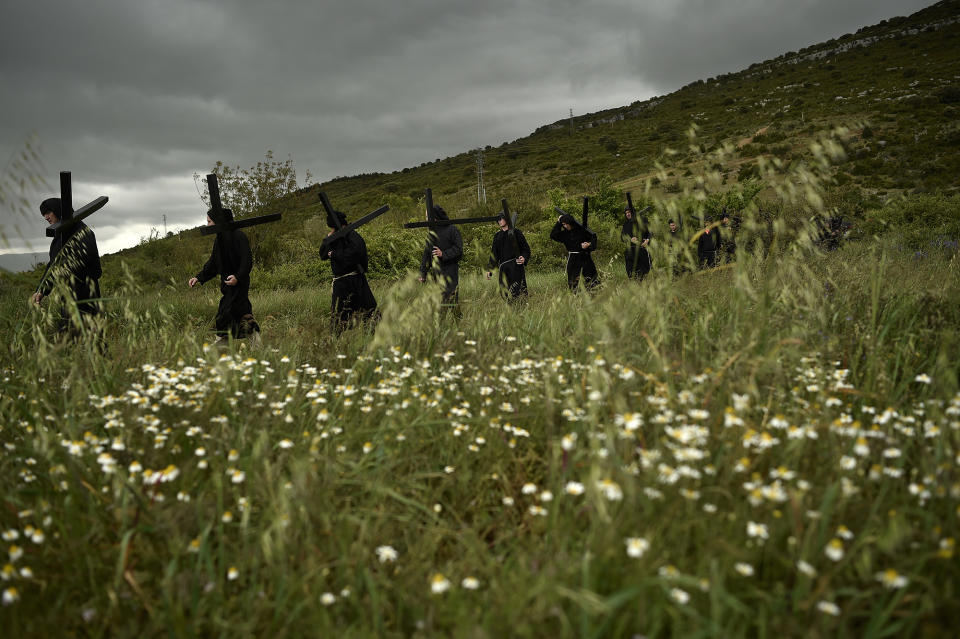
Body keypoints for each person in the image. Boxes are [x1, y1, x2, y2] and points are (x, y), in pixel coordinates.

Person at [32, 197, 102, 336]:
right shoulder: (59, 237)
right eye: (44, 214)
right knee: (69, 341)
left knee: (94, 343)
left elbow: (86, 262)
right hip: (68, 299)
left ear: (58, 210)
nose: (46, 217)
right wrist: (41, 290)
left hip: (86, 297)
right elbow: (53, 266)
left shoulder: (83, 232)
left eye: (48, 212)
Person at [188, 207, 260, 340]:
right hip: (227, 285)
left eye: (210, 221)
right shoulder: (219, 240)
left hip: (239, 285)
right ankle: (249, 344)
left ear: (218, 221)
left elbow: (247, 260)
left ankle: (224, 344)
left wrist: (237, 277)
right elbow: (213, 263)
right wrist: (198, 277)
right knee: (237, 315)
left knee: (229, 313)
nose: (208, 225)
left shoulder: (238, 236)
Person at [320, 209, 377, 333]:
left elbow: (356, 253)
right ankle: (336, 340)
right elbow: (323, 255)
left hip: (356, 280)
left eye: (333, 228)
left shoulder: (352, 236)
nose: (332, 231)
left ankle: (373, 336)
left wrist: (335, 254)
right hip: (341, 284)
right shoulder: (334, 237)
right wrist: (328, 239)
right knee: (339, 316)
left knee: (369, 310)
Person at [418, 204, 463, 315]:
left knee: (452, 301)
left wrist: (443, 254)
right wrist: (423, 273)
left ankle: (459, 325)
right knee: (439, 303)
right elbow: (427, 255)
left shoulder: (452, 229)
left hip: (450, 271)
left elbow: (459, 249)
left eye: (427, 216)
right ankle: (441, 328)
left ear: (435, 217)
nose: (426, 219)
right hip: (437, 273)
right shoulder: (431, 234)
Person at [486, 214, 531, 301]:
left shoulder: (516, 233)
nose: (499, 221)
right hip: (503, 268)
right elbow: (494, 254)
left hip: (516, 266)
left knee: (519, 293)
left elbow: (526, 249)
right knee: (505, 294)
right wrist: (490, 270)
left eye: (501, 218)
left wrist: (524, 258)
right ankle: (511, 312)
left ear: (507, 219)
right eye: (497, 219)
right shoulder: (497, 236)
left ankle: (522, 311)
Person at [550, 213, 599, 291]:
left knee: (592, 279)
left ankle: (595, 296)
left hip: (585, 257)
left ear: (571, 223)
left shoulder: (582, 230)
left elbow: (593, 238)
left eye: (566, 224)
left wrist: (588, 245)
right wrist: (558, 223)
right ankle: (576, 299)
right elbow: (553, 235)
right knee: (573, 282)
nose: (565, 226)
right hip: (573, 259)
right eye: (563, 224)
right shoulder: (564, 234)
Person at [622, 206, 652, 281]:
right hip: (630, 253)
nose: (628, 214)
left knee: (644, 273)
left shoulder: (643, 220)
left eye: (629, 212)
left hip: (642, 250)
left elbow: (650, 232)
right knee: (631, 274)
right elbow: (622, 237)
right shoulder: (626, 225)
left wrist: (647, 240)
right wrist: (630, 239)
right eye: (626, 213)